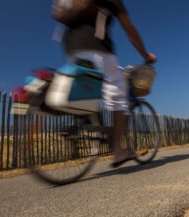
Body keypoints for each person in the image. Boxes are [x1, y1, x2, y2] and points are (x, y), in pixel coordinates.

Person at [59, 0, 156, 167]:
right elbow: (129, 29)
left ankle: (84, 121)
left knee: (89, 84)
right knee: (119, 96)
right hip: (97, 47)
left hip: (71, 47)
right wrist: (146, 55)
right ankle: (118, 151)